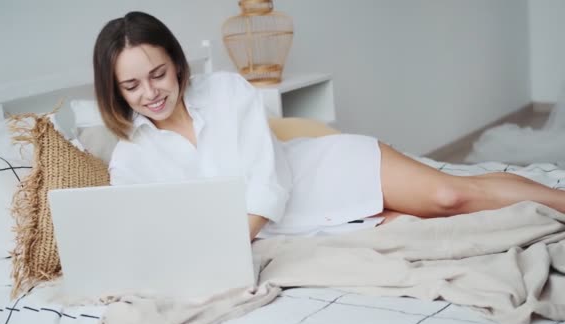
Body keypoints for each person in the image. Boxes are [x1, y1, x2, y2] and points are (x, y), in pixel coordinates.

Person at [93, 11, 565, 240]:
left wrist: (229, 245)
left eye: (158, 75)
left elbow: (267, 177)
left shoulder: (226, 91)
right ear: (116, 90)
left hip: (330, 172)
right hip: (306, 226)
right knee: (449, 219)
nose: (151, 93)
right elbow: (144, 228)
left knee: (452, 195)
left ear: (176, 65)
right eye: (132, 86)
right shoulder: (131, 156)